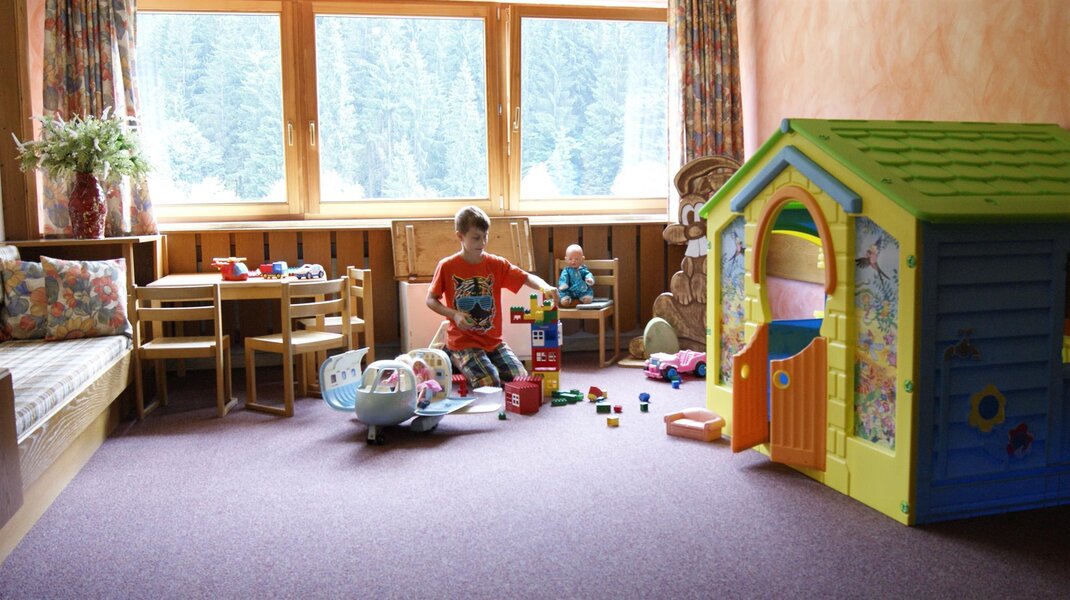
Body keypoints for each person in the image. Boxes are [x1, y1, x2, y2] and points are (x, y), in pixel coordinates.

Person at [426, 206, 559, 388]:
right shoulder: (447, 266)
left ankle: (481, 363)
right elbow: (431, 300)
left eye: (485, 236)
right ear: (460, 236)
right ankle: (454, 356)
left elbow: (526, 277)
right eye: (476, 238)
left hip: (493, 341)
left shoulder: (496, 264)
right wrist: (454, 314)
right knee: (489, 382)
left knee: (520, 378)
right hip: (463, 342)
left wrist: (545, 286)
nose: (482, 242)